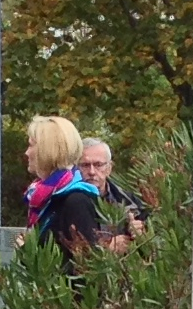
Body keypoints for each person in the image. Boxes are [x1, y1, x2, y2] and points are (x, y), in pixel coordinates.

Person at [22, 113, 117, 268]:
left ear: (48, 149)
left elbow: (85, 265)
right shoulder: (46, 196)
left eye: (31, 145)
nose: (26, 152)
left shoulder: (75, 199)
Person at [78, 136, 150, 239]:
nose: (92, 172)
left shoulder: (130, 202)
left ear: (109, 168)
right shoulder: (71, 203)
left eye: (98, 165)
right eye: (85, 165)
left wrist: (141, 231)